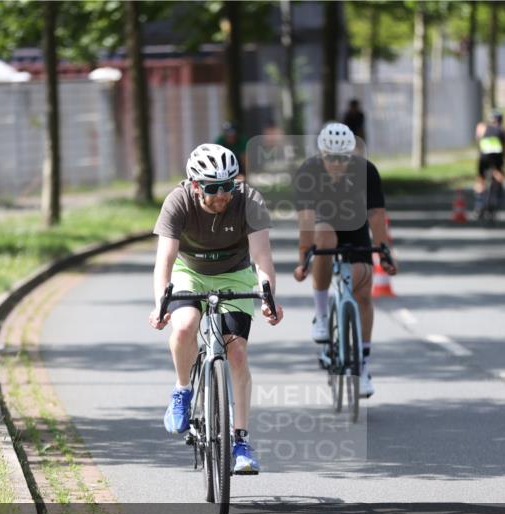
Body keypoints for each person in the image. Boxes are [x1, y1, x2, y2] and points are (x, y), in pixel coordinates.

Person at [149, 143, 283, 474]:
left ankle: (241, 441)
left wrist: (269, 298)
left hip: (235, 274)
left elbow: (262, 257)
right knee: (184, 325)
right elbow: (165, 260)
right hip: (190, 272)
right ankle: (182, 390)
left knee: (236, 352)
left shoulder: (249, 201)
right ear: (196, 185)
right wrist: (161, 304)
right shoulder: (177, 201)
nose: (221, 195)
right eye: (212, 188)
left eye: (227, 186)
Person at [292, 123, 397, 398]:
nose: (337, 164)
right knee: (325, 236)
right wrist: (304, 260)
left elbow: (376, 214)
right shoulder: (309, 171)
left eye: (343, 158)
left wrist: (384, 253)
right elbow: (305, 221)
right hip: (324, 223)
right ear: (321, 154)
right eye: (331, 158)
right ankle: (321, 315)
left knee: (363, 291)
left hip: (355, 226)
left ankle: (363, 365)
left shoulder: (366, 170)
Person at [474, 110, 505, 215]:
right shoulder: (504, 129)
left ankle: (479, 203)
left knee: (480, 179)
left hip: (484, 155)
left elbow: (478, 140)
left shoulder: (481, 127)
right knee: (499, 174)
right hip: (497, 156)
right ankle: (498, 196)